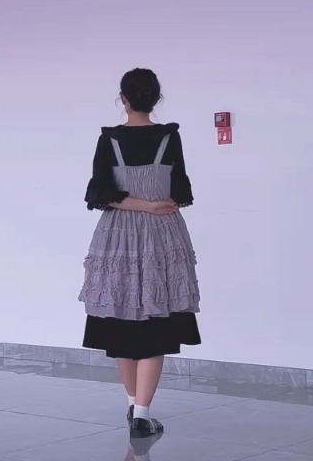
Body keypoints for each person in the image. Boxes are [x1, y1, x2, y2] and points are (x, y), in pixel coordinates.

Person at [79, 68, 202, 438]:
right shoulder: (169, 137)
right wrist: (152, 204)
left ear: (123, 99)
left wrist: (137, 203)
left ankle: (133, 403)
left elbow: (99, 193)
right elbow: (179, 192)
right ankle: (143, 415)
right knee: (156, 322)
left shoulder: (109, 140)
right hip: (162, 235)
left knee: (120, 317)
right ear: (156, 98)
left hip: (117, 237)